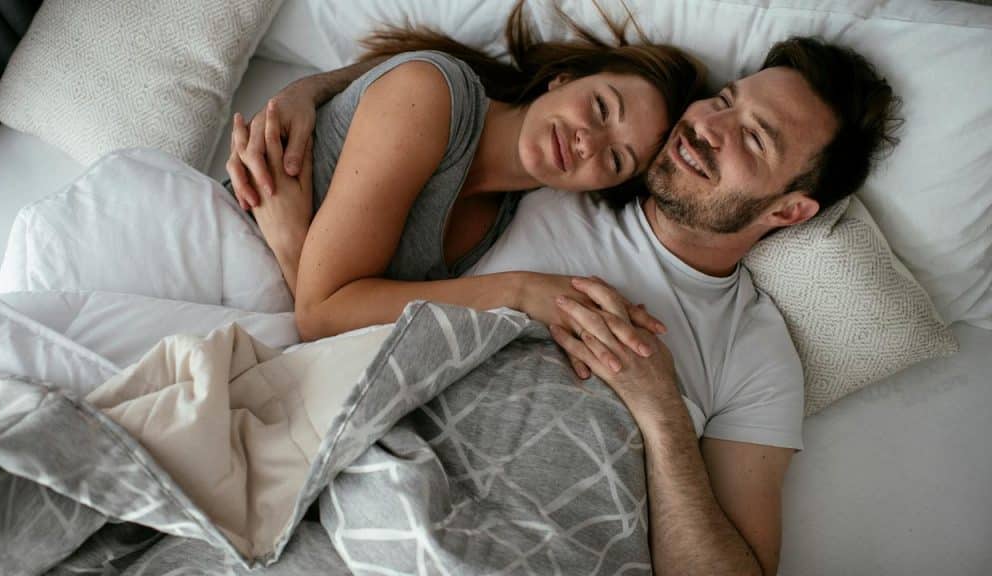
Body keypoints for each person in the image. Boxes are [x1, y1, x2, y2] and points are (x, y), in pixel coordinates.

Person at [230, 29, 901, 575]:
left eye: (754, 138)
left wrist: (663, 414)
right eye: (724, 100)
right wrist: (306, 94)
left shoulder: (756, 353)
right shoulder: (553, 175)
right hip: (377, 495)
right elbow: (435, 97)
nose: (709, 127)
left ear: (788, 210)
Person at [225, 2, 704, 345]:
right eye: (600, 107)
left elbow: (333, 322)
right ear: (564, 78)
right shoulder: (431, 93)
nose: (588, 142)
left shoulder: (500, 220)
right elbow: (321, 317)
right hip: (216, 242)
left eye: (616, 160)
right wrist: (519, 291)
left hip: (253, 313)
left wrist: (292, 244)